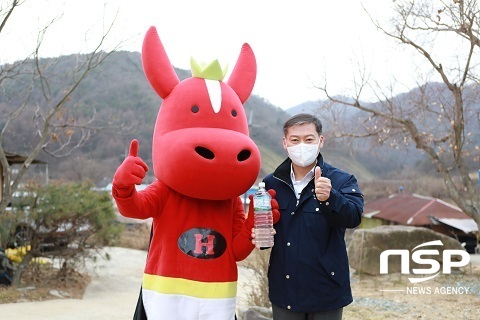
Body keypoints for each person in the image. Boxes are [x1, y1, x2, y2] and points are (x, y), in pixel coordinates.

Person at [262, 113, 363, 320]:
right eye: (295, 140)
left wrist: (330, 198)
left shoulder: (340, 180)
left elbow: (354, 217)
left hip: (326, 288)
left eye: (308, 139)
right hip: (284, 288)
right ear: (285, 143)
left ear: (320, 141)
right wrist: (258, 233)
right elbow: (265, 235)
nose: (301, 145)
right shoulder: (271, 184)